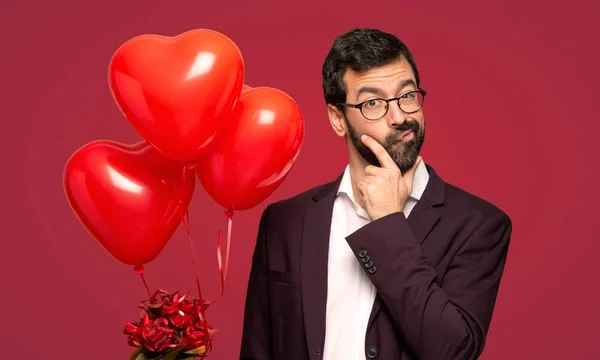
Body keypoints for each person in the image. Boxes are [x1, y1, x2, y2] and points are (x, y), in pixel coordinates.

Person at [239, 27, 512, 360]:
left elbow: (453, 351)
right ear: (338, 119)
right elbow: (258, 350)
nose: (399, 117)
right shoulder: (286, 221)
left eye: (407, 95)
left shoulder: (480, 224)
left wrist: (388, 223)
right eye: (373, 103)